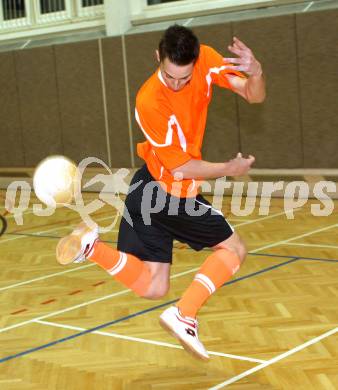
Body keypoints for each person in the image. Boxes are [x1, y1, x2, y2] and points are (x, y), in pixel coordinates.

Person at [56, 25, 265, 360]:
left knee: (154, 286)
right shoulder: (149, 100)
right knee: (234, 249)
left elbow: (253, 94)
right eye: (170, 76)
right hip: (171, 193)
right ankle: (184, 315)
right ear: (158, 57)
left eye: (185, 77)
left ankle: (91, 247)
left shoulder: (206, 61)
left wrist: (255, 71)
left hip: (145, 187)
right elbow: (181, 167)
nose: (178, 84)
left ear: (195, 62)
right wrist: (228, 169)